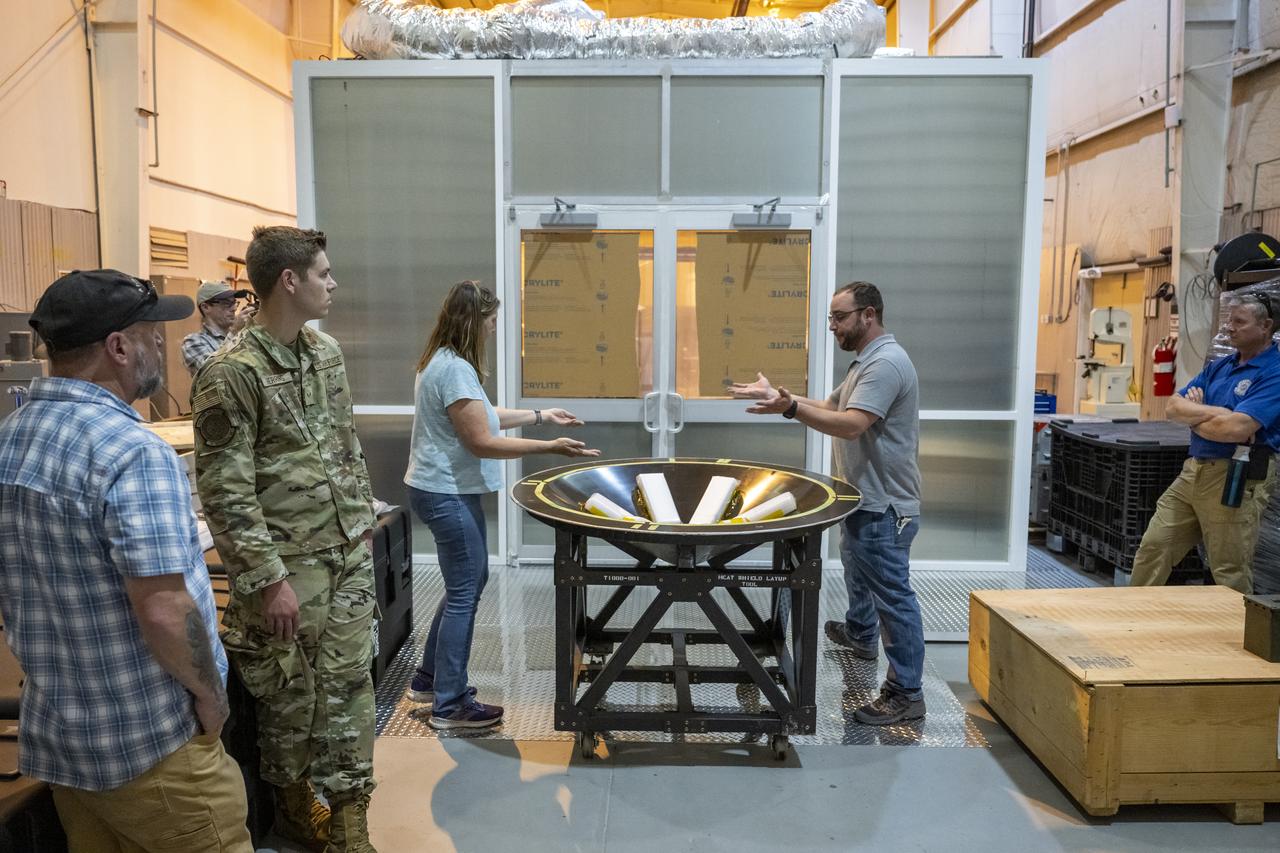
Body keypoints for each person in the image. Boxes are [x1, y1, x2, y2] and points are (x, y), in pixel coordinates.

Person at [0, 270, 252, 850]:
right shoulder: (131, 451)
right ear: (118, 347)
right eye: (151, 334)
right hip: (155, 750)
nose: (161, 344)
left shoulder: (12, 437)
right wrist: (213, 698)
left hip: (68, 744)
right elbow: (164, 609)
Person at [191, 227, 377, 852]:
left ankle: (352, 826)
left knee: (350, 688)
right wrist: (268, 581)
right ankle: (297, 809)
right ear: (290, 281)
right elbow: (226, 492)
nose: (333, 284)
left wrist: (361, 526)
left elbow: (345, 449)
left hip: (345, 557)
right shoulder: (230, 374)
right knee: (290, 701)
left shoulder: (325, 355)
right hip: (285, 572)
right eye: (324, 273)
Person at [405, 280, 599, 730]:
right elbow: (482, 441)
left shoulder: (443, 361)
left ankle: (429, 678)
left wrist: (540, 414)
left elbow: (482, 414)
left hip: (441, 488)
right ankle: (450, 704)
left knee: (467, 582)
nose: (494, 329)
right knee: (464, 593)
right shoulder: (452, 368)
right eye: (491, 320)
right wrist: (550, 448)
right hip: (445, 492)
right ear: (474, 320)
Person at [732, 281, 926, 725]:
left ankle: (906, 693)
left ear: (868, 314)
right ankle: (860, 635)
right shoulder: (867, 362)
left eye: (840, 317)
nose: (833, 326)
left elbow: (851, 425)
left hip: (886, 505)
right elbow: (830, 405)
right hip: (865, 497)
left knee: (892, 597)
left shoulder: (886, 364)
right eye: (831, 318)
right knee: (861, 572)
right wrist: (783, 398)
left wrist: (789, 411)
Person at [1130, 293, 1280, 593]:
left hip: (1235, 477)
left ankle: (1237, 635)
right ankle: (1131, 617)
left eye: (1239, 322)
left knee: (1228, 568)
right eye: (1228, 320)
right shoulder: (1220, 367)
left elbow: (1237, 429)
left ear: (1265, 326)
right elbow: (1173, 407)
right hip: (1193, 472)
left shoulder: (1273, 372)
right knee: (1155, 546)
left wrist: (1197, 418)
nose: (1228, 327)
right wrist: (1217, 413)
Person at [181, 280, 256, 376]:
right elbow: (213, 372)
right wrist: (234, 331)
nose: (233, 308)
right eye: (226, 303)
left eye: (234, 302)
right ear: (206, 307)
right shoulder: (193, 342)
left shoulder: (242, 336)